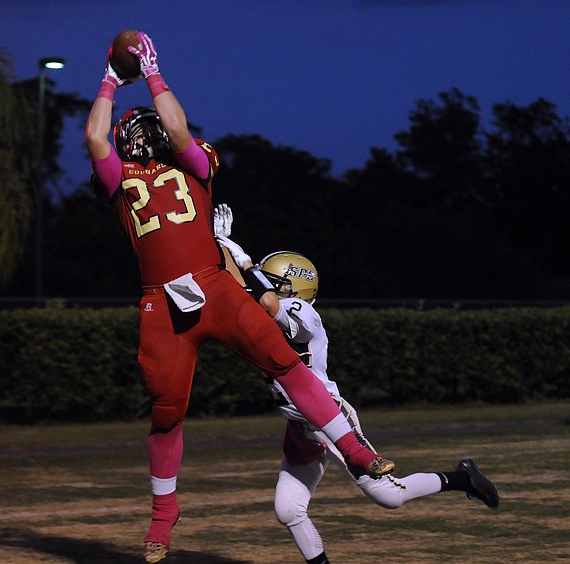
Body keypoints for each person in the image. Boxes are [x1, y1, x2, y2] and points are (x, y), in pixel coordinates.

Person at [84, 31, 395, 563]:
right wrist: (111, 78)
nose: (133, 137)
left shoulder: (195, 166)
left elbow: (178, 127)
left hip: (213, 283)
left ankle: (356, 450)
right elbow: (95, 139)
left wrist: (153, 71)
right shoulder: (120, 180)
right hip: (162, 304)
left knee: (287, 364)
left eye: (139, 129)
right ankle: (164, 514)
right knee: (166, 411)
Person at [213, 203, 500, 564]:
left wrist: (234, 249)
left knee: (389, 496)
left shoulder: (305, 314)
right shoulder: (276, 306)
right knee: (288, 510)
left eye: (274, 282)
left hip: (328, 416)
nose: (265, 286)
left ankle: (462, 478)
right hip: (301, 425)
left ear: (292, 288)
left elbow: (265, 302)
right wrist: (218, 245)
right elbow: (237, 292)